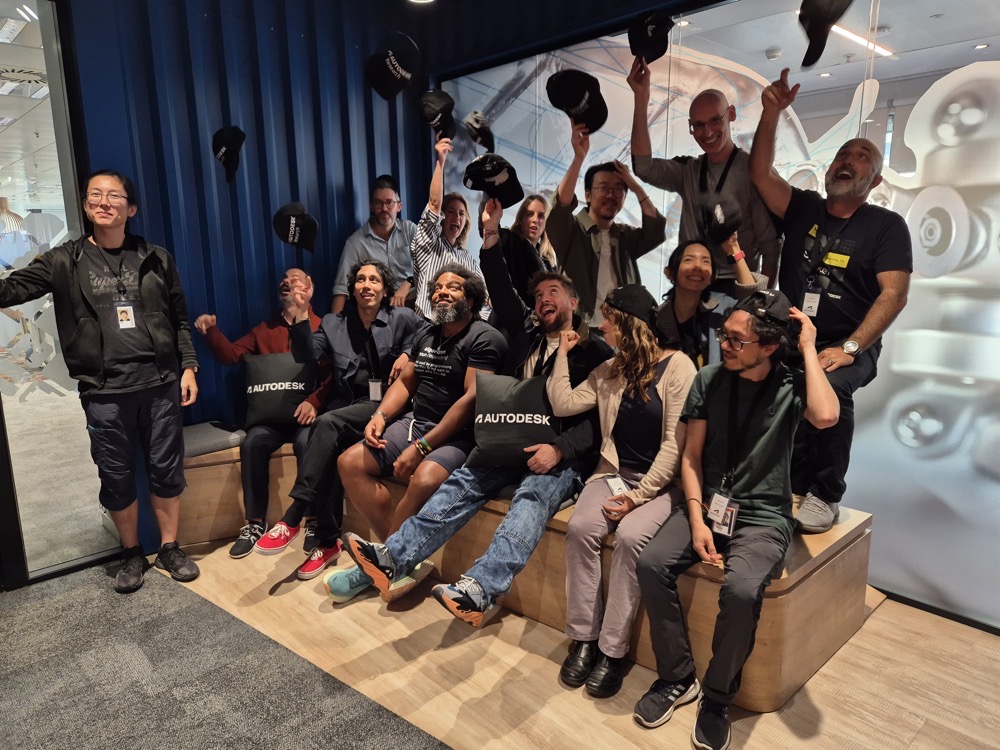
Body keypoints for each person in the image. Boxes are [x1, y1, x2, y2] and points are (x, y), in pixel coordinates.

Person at [344, 197, 611, 625]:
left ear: (574, 302)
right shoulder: (526, 337)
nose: (544, 300)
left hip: (558, 457)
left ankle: (479, 589)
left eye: (553, 293)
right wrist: (490, 233)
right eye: (538, 295)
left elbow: (598, 424)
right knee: (462, 481)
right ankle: (393, 557)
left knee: (531, 497)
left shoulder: (595, 352)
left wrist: (559, 450)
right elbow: (501, 287)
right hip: (510, 442)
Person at [633, 289, 839, 750]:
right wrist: (697, 519)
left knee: (743, 591)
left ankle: (717, 697)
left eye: (735, 340)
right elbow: (690, 456)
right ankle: (677, 677)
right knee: (651, 563)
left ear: (769, 346)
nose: (723, 345)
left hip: (763, 516)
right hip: (707, 506)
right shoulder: (709, 379)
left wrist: (809, 346)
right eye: (723, 335)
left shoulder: (791, 385)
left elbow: (826, 416)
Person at [0, 170, 200, 593]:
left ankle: (169, 547)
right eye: (95, 195)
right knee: (116, 475)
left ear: (131, 208)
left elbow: (179, 319)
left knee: (166, 470)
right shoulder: (63, 260)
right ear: (86, 204)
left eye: (114, 196)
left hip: (160, 383)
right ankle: (131, 552)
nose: (103, 202)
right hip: (104, 390)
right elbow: (13, 289)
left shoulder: (156, 258)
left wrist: (188, 366)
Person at [749, 68, 912, 533]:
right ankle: (787, 485)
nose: (849, 161)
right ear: (828, 168)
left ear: (875, 180)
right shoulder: (803, 206)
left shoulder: (885, 226)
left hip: (849, 341)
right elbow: (760, 173)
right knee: (770, 393)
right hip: (792, 335)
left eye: (862, 158)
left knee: (831, 389)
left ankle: (825, 494)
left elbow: (895, 294)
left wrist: (851, 348)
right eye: (843, 153)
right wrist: (771, 113)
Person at [546, 284, 697, 699]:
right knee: (580, 528)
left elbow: (675, 445)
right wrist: (562, 353)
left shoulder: (679, 367)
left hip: (662, 485)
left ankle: (612, 651)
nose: (601, 326)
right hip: (614, 473)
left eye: (608, 319)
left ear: (629, 323)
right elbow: (562, 403)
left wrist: (637, 496)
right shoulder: (611, 369)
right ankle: (584, 638)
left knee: (631, 538)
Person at [330, 263, 507, 600]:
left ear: (471, 299)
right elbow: (406, 382)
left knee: (424, 479)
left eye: (453, 287)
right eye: (437, 287)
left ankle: (383, 563)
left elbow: (472, 399)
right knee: (349, 462)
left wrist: (422, 447)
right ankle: (392, 559)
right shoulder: (427, 334)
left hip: (460, 435)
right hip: (417, 422)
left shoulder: (485, 338)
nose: (442, 292)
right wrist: (380, 416)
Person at [266, 259, 425, 581]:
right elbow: (306, 354)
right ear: (352, 289)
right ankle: (328, 542)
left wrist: (409, 353)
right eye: (361, 280)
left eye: (374, 280)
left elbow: (430, 337)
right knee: (326, 443)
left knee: (327, 424)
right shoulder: (332, 322)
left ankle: (296, 514)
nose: (367, 285)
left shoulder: (403, 317)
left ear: (385, 289)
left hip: (386, 404)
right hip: (348, 402)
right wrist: (300, 314)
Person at [194, 268, 334, 559]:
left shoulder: (324, 326)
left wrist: (314, 402)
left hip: (306, 418)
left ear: (309, 287)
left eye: (295, 279)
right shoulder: (264, 330)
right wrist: (211, 332)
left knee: (308, 443)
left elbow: (335, 375)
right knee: (253, 442)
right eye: (284, 280)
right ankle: (255, 522)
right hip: (270, 418)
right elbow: (232, 355)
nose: (287, 283)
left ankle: (313, 519)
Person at [628, 57, 781, 292]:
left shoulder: (754, 172)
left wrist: (762, 303)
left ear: (731, 114)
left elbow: (771, 249)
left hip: (736, 288)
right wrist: (641, 97)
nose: (707, 132)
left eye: (714, 120)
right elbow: (643, 167)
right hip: (691, 285)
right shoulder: (689, 170)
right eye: (698, 125)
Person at [546, 121, 667, 329]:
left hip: (620, 332)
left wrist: (635, 187)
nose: (611, 195)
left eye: (618, 189)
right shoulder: (572, 230)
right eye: (603, 188)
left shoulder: (624, 236)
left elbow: (655, 231)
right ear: (588, 195)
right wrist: (578, 158)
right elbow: (561, 208)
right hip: (580, 332)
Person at [410, 136, 490, 321]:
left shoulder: (467, 259)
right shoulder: (429, 246)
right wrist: (441, 161)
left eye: (461, 214)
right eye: (451, 212)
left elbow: (483, 295)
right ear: (442, 217)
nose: (457, 217)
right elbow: (434, 204)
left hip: (463, 325)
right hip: (430, 323)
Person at [660, 235, 766, 370]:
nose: (698, 266)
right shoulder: (658, 318)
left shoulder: (722, 307)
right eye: (688, 260)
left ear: (712, 276)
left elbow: (758, 305)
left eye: (706, 261)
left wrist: (734, 248)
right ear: (669, 273)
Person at [330, 175, 416, 314]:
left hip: (411, 299)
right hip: (378, 307)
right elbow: (341, 289)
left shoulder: (410, 230)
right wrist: (333, 324)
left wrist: (408, 283)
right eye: (378, 203)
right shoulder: (356, 242)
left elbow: (430, 264)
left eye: (389, 202)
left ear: (399, 206)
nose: (384, 208)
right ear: (371, 207)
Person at [496, 193, 558, 309]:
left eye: (541, 216)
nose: (535, 220)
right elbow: (492, 230)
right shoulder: (510, 240)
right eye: (530, 214)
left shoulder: (548, 259)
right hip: (512, 315)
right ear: (521, 219)